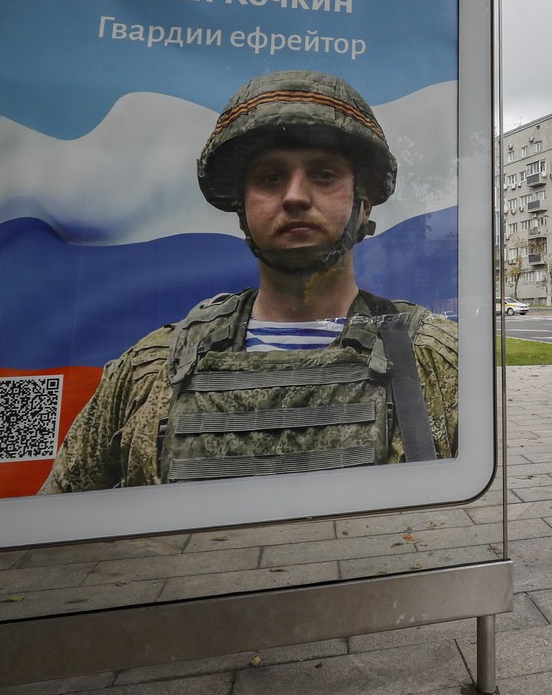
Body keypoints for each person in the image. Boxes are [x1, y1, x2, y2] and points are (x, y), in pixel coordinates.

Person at [41, 71, 458, 492]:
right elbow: (55, 530)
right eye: (271, 178)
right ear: (242, 208)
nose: (295, 196)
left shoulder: (433, 359)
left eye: (324, 175)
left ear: (363, 206)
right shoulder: (151, 370)